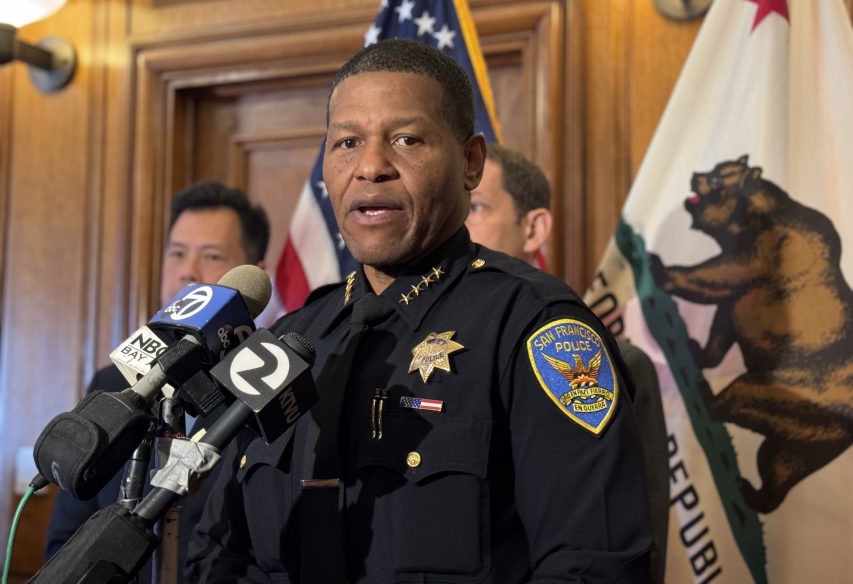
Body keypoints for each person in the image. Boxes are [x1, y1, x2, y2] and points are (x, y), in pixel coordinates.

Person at [186, 38, 651, 583]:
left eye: (406, 139)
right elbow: (214, 553)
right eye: (346, 144)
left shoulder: (536, 328)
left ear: (470, 163)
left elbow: (592, 566)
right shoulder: (291, 339)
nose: (371, 167)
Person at [45, 181, 271, 584]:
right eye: (177, 253)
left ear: (253, 277)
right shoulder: (113, 381)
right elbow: (67, 540)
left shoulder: (264, 389)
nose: (188, 270)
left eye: (212, 255)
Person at [467, 145, 670, 583]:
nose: (456, 227)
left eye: (475, 207)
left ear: (534, 227)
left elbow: (630, 555)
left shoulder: (612, 361)